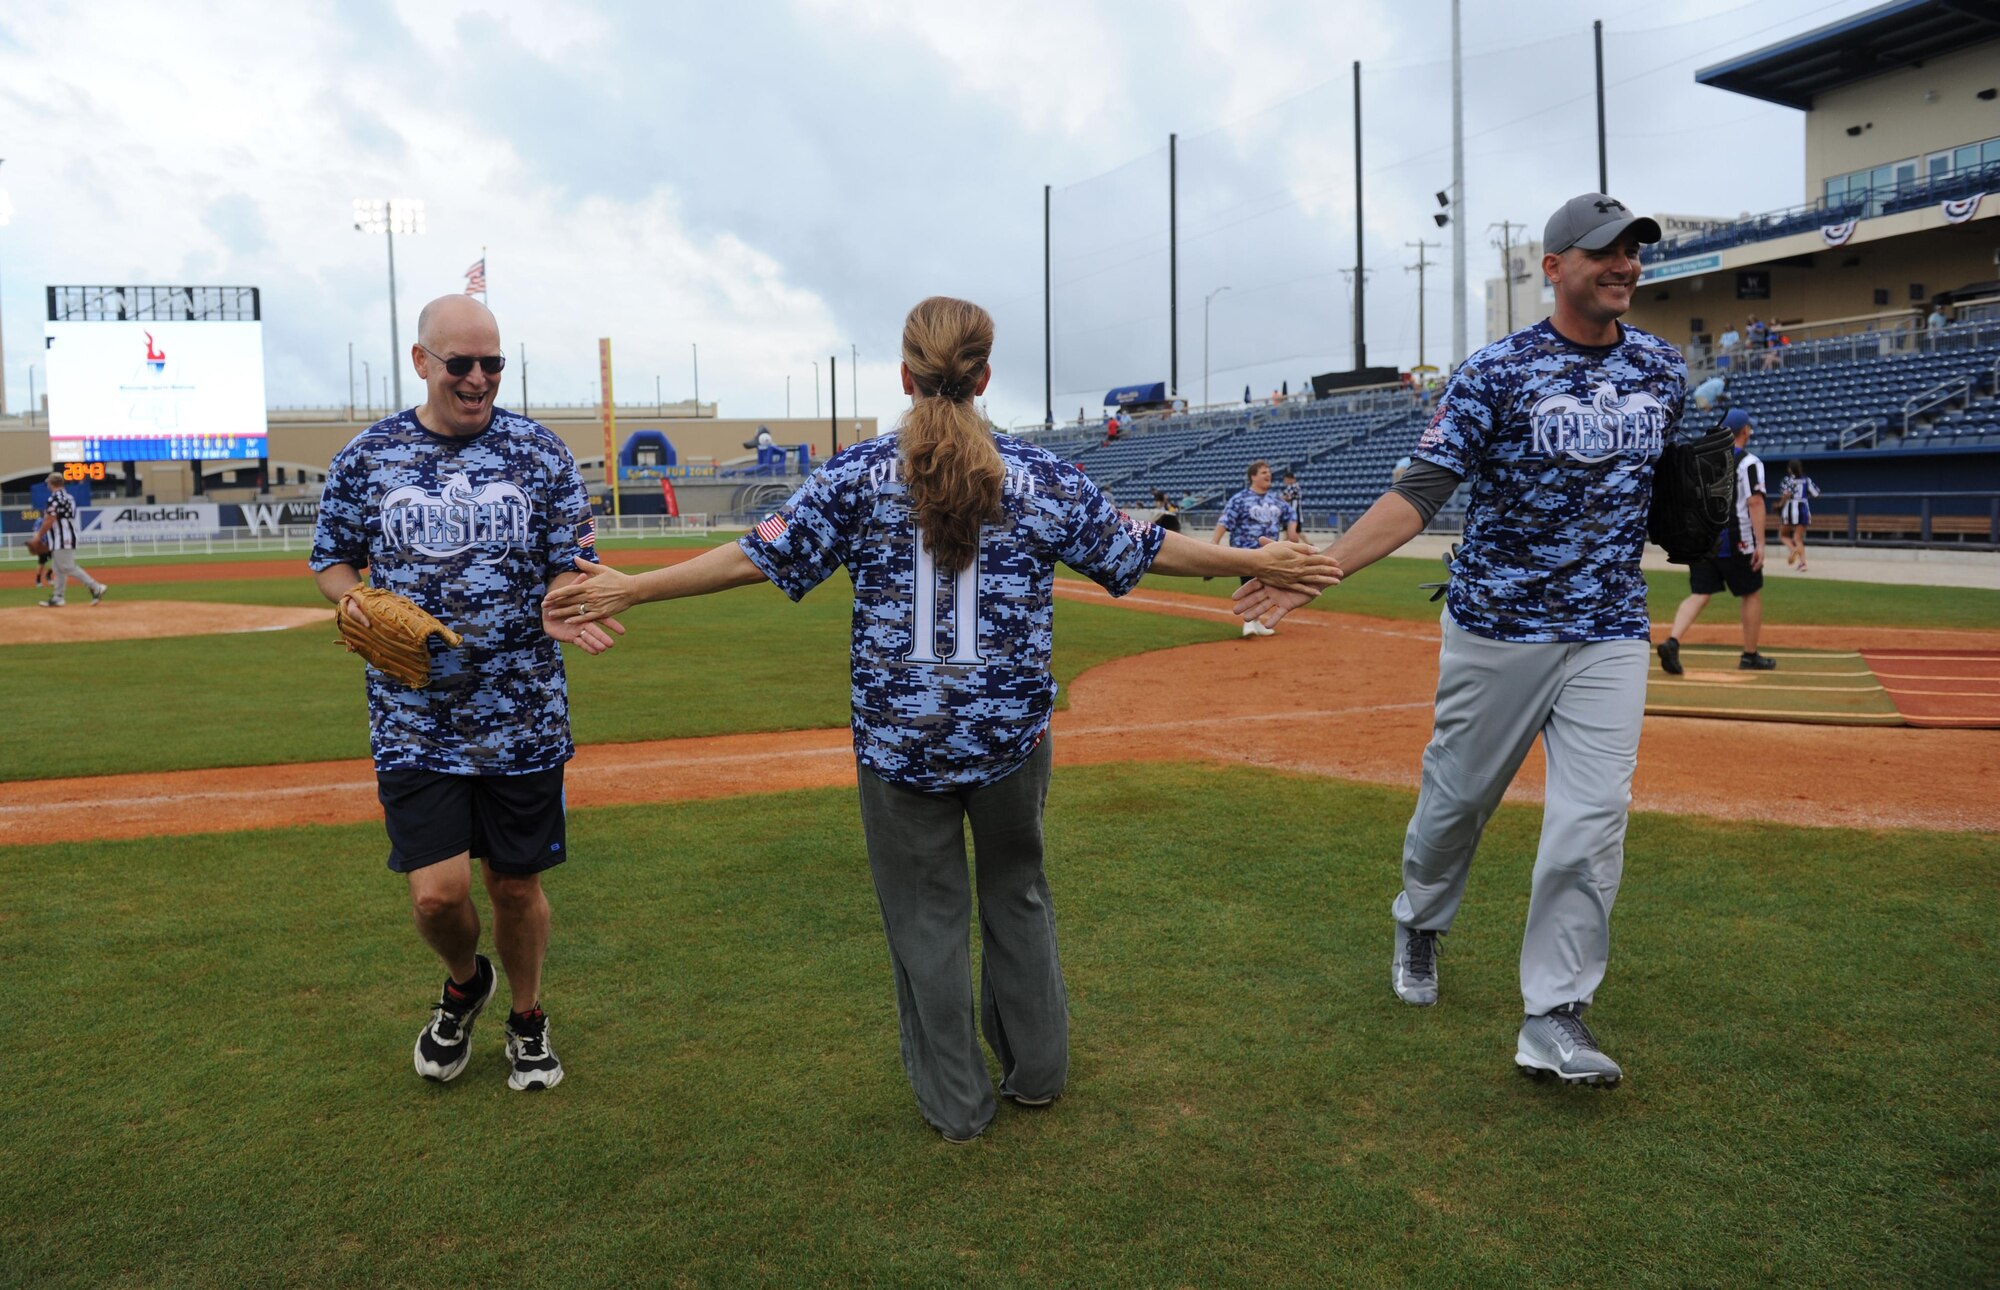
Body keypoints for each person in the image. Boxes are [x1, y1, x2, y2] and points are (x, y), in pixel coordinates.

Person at [544, 296, 1338, 1142]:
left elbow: (753, 554)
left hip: (898, 745)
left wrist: (632, 584)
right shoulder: (1039, 475)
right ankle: (1038, 1072)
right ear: (986, 376)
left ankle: (958, 1107)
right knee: (1018, 898)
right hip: (1010, 739)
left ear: (903, 375)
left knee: (927, 921)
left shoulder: (859, 476)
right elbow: (1143, 548)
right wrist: (1253, 558)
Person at [1235, 192, 1693, 1087]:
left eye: (1633, 251)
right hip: (1500, 625)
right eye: (1603, 251)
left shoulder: (1663, 370)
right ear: (1553, 267)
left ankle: (1555, 1015)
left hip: (1607, 626)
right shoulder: (1497, 372)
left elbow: (1668, 481)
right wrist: (1322, 569)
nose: (1624, 266)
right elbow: (1421, 492)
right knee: (1455, 805)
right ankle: (1421, 918)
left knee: (1592, 821)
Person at [309, 295, 624, 1093]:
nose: (478, 379)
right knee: (435, 897)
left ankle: (526, 1019)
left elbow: (573, 558)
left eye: (492, 365)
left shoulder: (541, 454)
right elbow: (331, 559)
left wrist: (562, 596)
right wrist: (353, 602)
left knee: (516, 884)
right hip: (413, 716)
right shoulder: (368, 457)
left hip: (522, 712)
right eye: (461, 364)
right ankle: (463, 983)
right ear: (423, 362)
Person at [1658, 408, 1776, 675]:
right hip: (1736, 538)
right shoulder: (1749, 462)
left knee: (1699, 593)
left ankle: (1673, 641)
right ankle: (1749, 654)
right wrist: (1760, 543)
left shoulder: (1702, 457)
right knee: (1751, 592)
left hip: (1702, 538)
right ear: (1745, 430)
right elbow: (1755, 502)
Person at [1212, 460, 1300, 638]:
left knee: (1265, 586)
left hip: (1269, 552)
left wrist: (1292, 532)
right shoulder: (1240, 498)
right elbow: (1225, 521)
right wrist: (1214, 544)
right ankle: (1248, 623)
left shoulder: (1275, 500)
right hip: (1245, 551)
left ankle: (1256, 622)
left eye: (1269, 472)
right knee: (1249, 585)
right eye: (1263, 472)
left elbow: (1291, 514)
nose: (1268, 475)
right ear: (1253, 476)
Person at [33, 473, 108, 608]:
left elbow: (50, 519)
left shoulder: (54, 498)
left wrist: (39, 535)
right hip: (66, 536)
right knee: (58, 568)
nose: (48, 486)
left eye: (48, 483)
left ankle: (96, 586)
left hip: (61, 538)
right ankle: (58, 597)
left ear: (51, 484)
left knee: (67, 567)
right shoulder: (69, 497)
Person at [1777, 458, 1822, 573]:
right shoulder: (1806, 480)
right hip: (1803, 508)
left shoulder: (1787, 480)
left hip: (1789, 509)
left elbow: (1786, 494)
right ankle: (1803, 564)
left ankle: (1793, 550)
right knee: (1798, 538)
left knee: (1783, 535)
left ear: (1790, 469)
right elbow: (1816, 494)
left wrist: (1780, 504)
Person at [1281, 471, 1304, 535]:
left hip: (1295, 513)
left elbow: (1288, 497)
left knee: (1297, 532)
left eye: (1286, 480)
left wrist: (1283, 497)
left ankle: (1310, 544)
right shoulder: (1288, 488)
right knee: (1287, 531)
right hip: (1289, 513)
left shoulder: (1295, 487)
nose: (1285, 481)